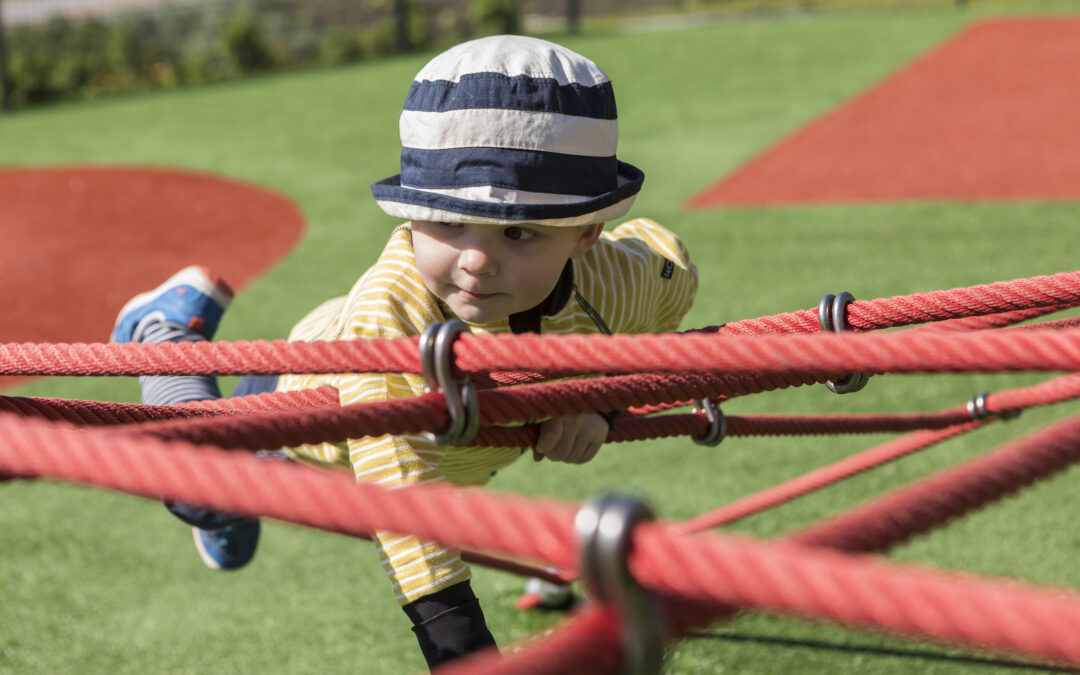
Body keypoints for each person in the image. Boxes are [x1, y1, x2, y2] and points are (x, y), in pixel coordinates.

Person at [111, 34, 698, 670]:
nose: (477, 260)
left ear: (586, 235)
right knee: (191, 488)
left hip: (453, 448)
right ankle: (162, 333)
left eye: (520, 231)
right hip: (304, 404)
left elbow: (670, 275)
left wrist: (601, 403)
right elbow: (404, 504)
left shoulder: (619, 283)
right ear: (411, 214)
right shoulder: (388, 321)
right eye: (447, 223)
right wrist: (466, 657)